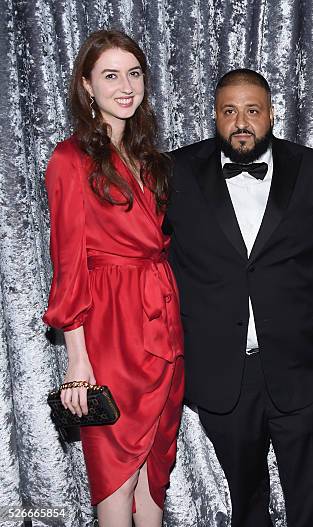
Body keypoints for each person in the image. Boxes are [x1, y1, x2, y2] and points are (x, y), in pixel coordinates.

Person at [165, 69, 313, 526]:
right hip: (223, 373)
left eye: (252, 111)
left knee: (310, 500)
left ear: (271, 115)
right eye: (229, 112)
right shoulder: (173, 173)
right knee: (246, 502)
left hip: (301, 367)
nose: (241, 122)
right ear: (215, 117)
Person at [43, 30, 184, 527]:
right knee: (115, 475)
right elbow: (69, 264)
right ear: (86, 86)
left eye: (134, 73)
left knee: (154, 472)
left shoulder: (151, 162)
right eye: (110, 75)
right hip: (110, 331)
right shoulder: (69, 160)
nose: (125, 86)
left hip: (162, 321)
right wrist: (78, 361)